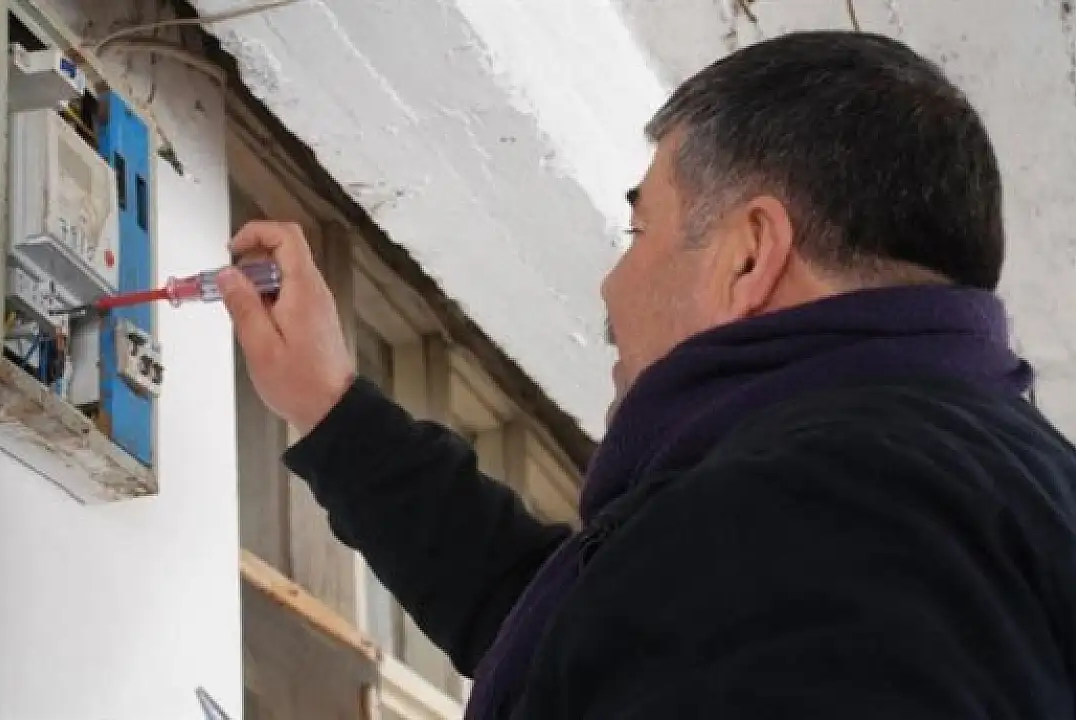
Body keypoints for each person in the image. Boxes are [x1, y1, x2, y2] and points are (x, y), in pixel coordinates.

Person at [217, 30, 1076, 719]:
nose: (611, 283)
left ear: (749, 256)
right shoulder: (935, 491)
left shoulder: (826, 510)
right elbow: (584, 632)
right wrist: (331, 409)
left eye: (639, 231)